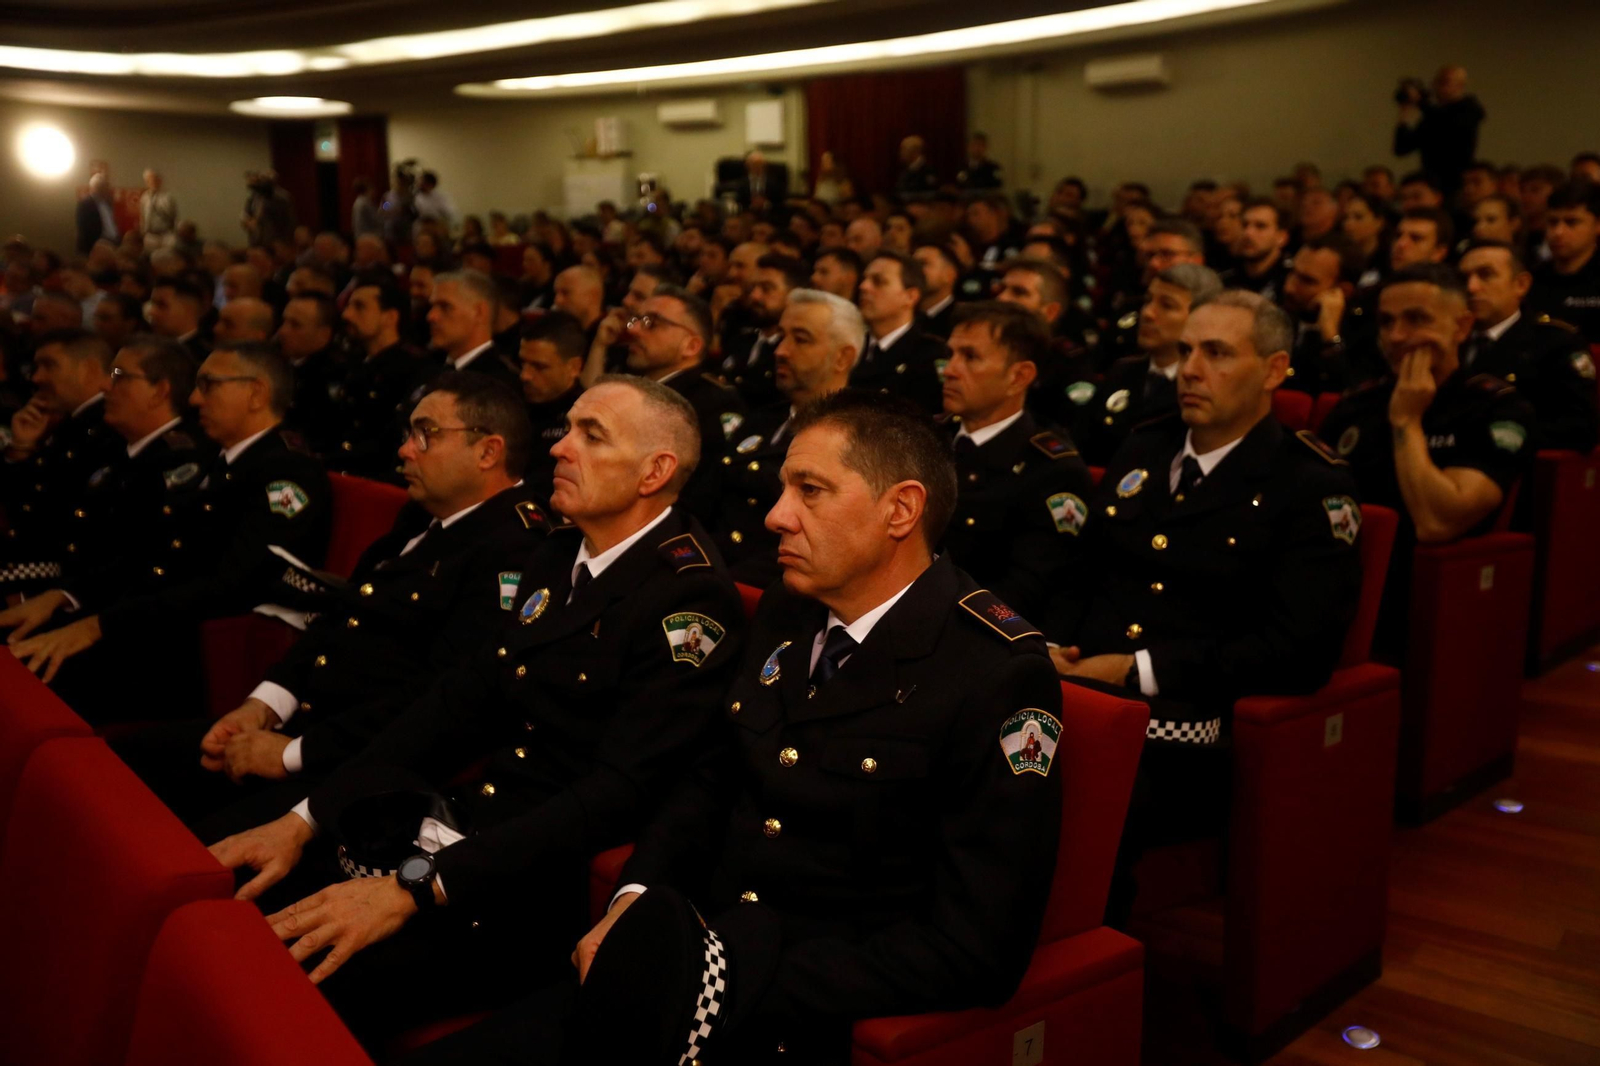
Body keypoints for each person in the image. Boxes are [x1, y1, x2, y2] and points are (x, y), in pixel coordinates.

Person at [407, 389, 1062, 1066]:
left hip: (797, 1018)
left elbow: (976, 950)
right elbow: (711, 777)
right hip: (690, 957)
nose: (777, 516)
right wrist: (635, 896)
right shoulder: (790, 607)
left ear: (900, 510)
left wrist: (723, 981)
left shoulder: (993, 672)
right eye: (784, 488)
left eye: (810, 491)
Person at [207, 376, 744, 1050]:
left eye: (592, 435)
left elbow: (613, 795)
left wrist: (416, 889)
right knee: (231, 910)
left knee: (285, 988)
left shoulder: (689, 600)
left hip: (530, 887)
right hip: (455, 829)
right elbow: (454, 706)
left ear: (654, 471)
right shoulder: (558, 553)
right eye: (568, 429)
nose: (560, 448)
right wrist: (305, 818)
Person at [112, 372, 550, 839]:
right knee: (123, 764)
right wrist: (262, 706)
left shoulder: (514, 550)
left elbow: (435, 701)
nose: (405, 450)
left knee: (191, 846)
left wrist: (291, 754)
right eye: (408, 433)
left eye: (426, 434)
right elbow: (338, 618)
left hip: (362, 776)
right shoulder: (423, 516)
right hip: (307, 730)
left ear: (487, 452)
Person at [1046, 289, 1361, 922]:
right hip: (1080, 691)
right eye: (1186, 350)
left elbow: (1299, 650)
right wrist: (1053, 645)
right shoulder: (1145, 447)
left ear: (1274, 369)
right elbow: (1079, 573)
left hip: (1185, 733)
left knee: (1071, 799)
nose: (1189, 370)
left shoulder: (1309, 485)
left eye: (1217, 354)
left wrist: (1135, 670)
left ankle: (1075, 955)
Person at [7, 341, 333, 719]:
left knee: (24, 679)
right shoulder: (218, 462)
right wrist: (64, 596)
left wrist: (101, 625)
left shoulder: (287, 473)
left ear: (256, 393)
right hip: (148, 623)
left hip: (192, 654)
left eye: (209, 385)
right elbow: (150, 553)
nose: (194, 399)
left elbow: (232, 586)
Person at [1319, 265, 1535, 660]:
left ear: (1461, 327)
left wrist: (1406, 420)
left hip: (1414, 593)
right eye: (1387, 322)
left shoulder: (1494, 408)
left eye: (1417, 319)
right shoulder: (1358, 403)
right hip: (1327, 573)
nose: (1397, 336)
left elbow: (1437, 521)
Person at [0, 337, 208, 642]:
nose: (105, 386)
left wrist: (61, 596)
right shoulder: (118, 448)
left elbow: (139, 562)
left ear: (159, 391)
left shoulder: (177, 462)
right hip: (70, 599)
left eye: (119, 376)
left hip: (123, 627)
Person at [940, 301, 1092, 620]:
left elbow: (1025, 592)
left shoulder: (1051, 470)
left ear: (1019, 376)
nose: (950, 370)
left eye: (970, 357)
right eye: (951, 354)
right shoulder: (926, 436)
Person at [712, 288, 860, 583]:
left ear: (842, 358)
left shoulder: (857, 435)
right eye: (782, 336)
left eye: (800, 339)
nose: (780, 350)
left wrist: (719, 581)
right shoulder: (760, 419)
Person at [0, 330, 121, 597]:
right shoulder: (69, 425)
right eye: (36, 367)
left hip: (66, 586)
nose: (36, 377)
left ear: (89, 370)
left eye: (49, 365)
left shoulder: (105, 430)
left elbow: (51, 523)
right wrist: (21, 447)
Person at [1076, 265, 1222, 465]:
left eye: (1167, 305)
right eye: (1147, 301)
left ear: (1201, 318)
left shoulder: (1204, 386)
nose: (1147, 313)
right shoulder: (1123, 370)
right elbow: (1082, 443)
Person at [1459, 241, 1597, 452]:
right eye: (1463, 278)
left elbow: (1578, 429)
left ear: (1521, 284)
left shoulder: (1555, 344)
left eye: (1485, 275)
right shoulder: (1449, 339)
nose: (1471, 287)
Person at [332, 277, 432, 481]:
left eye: (359, 307)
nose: (347, 314)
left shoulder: (412, 368)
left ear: (390, 317)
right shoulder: (350, 362)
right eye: (348, 306)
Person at [852, 250, 947, 413]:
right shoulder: (851, 345)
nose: (864, 287)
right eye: (864, 279)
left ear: (910, 296)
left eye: (878, 281)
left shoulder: (929, 355)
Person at [1279, 233, 1368, 391]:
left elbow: (1345, 391)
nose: (1289, 287)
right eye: (1292, 272)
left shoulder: (1362, 333)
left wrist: (1330, 336)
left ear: (1343, 291)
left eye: (1307, 281)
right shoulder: (1280, 312)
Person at [516, 311, 587, 505]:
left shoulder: (584, 421)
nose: (525, 375)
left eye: (539, 367)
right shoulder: (511, 402)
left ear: (574, 367)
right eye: (523, 363)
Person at [719, 254, 806, 408]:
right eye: (753, 288)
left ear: (794, 295)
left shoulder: (796, 353)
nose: (755, 296)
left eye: (766, 289)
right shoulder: (740, 338)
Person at [1393, 65, 1486, 198]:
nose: (1438, 86)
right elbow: (1402, 148)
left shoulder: (1470, 109)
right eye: (1437, 81)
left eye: (1445, 81)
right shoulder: (1431, 117)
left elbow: (1449, 126)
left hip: (1457, 186)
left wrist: (1420, 102)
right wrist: (1404, 114)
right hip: (1432, 184)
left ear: (1460, 86)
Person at [1527, 181, 1600, 346]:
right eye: (1553, 222)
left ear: (1597, 225)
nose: (1558, 232)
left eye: (1571, 222)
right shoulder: (1532, 279)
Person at [428, 271, 522, 389]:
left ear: (479, 312)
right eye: (432, 306)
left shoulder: (499, 384)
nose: (431, 316)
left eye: (445, 306)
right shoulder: (428, 369)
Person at [1220, 199, 1290, 301]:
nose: (1248, 233)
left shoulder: (1290, 282)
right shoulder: (1225, 280)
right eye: (1244, 225)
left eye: (1260, 226)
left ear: (1281, 237)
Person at [911, 240, 961, 339]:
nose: (914, 270)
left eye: (923, 263)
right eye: (912, 265)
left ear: (949, 274)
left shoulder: (960, 321)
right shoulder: (900, 317)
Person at [76, 172, 120, 255]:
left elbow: (110, 222)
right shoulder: (85, 204)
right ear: (94, 188)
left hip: (112, 242)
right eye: (103, 187)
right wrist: (95, 246)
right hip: (96, 245)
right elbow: (83, 228)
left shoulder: (107, 202)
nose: (107, 189)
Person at [139, 170, 178, 250]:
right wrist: (142, 231)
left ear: (159, 181)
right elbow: (142, 215)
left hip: (166, 234)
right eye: (149, 181)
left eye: (154, 180)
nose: (152, 182)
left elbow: (174, 215)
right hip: (150, 234)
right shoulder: (144, 197)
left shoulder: (167, 196)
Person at [895, 134, 940, 199]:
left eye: (904, 149)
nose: (901, 153)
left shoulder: (927, 170)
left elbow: (931, 193)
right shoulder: (907, 169)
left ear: (915, 151)